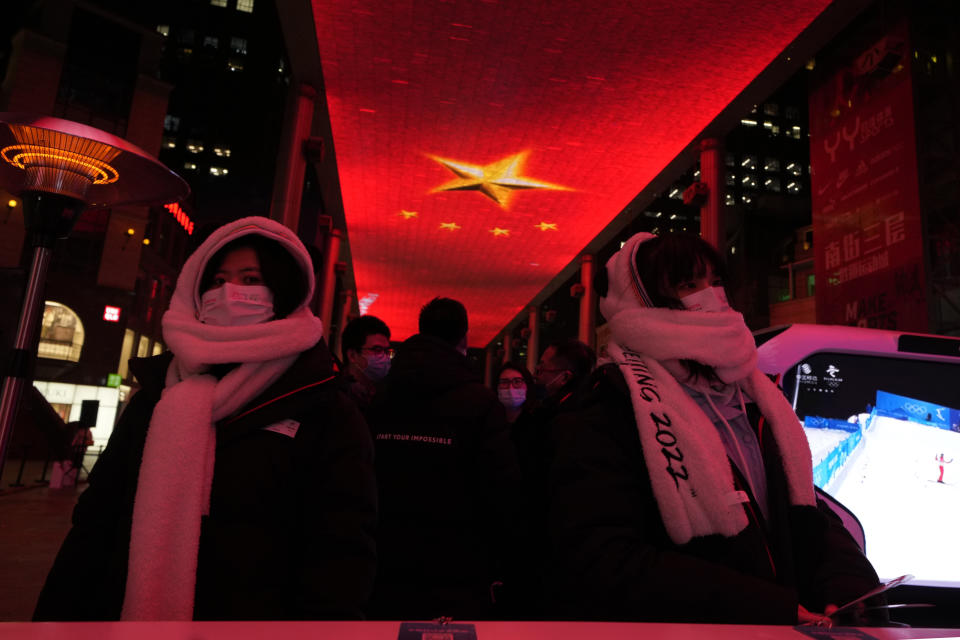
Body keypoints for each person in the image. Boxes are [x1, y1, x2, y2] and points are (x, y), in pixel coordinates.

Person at [34, 216, 377, 621]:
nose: (230, 292)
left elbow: (340, 552)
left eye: (251, 279)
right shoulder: (159, 396)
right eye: (216, 280)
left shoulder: (323, 408)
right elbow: (96, 525)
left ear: (284, 292)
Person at [547, 231, 883, 626]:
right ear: (644, 302)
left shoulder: (751, 397)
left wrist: (846, 579)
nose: (711, 296)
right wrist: (757, 606)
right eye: (689, 285)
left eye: (716, 282)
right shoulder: (612, 405)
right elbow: (602, 555)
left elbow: (797, 508)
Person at [366, 297, 525, 620]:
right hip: (458, 568)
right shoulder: (479, 402)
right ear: (463, 339)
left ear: (421, 332)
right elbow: (500, 489)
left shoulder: (381, 396)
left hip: (383, 559)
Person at [338, 314, 392, 414]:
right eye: (377, 349)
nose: (385, 358)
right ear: (352, 355)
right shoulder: (333, 399)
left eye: (387, 351)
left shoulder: (389, 397)